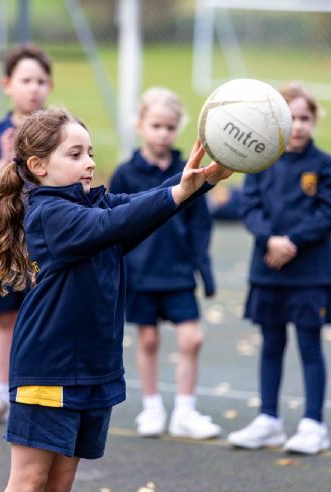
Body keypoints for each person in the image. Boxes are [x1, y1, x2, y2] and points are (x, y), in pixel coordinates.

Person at [0, 107, 231, 492]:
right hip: (50, 369)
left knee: (58, 487)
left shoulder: (91, 204)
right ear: (38, 165)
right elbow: (116, 223)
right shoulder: (49, 213)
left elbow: (136, 210)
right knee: (28, 485)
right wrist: (181, 191)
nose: (90, 163)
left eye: (91, 152)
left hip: (94, 368)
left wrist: (197, 184)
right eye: (76, 154)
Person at [227, 82, 331, 454]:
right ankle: (269, 420)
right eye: (291, 118)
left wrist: (290, 241)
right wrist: (270, 239)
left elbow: (329, 212)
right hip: (268, 271)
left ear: (315, 121)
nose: (298, 126)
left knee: (309, 345)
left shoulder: (327, 167)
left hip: (310, 274)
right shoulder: (260, 162)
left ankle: (313, 424)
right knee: (271, 344)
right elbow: (250, 207)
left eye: (305, 118)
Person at [109, 87, 221, 440]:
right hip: (141, 275)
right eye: (155, 125)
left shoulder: (189, 170)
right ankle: (152, 406)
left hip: (177, 272)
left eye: (170, 127)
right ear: (140, 125)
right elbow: (117, 220)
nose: (162, 133)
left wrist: (203, 268)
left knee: (192, 339)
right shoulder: (126, 173)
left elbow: (200, 223)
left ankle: (185, 411)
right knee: (149, 340)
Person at [0, 44, 53, 424]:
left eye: (40, 81)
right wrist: (5, 161)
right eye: (25, 80)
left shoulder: (57, 134)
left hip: (45, 243)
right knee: (4, 319)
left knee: (42, 318)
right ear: (7, 84)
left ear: (49, 86)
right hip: (2, 241)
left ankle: (34, 394)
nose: (33, 88)